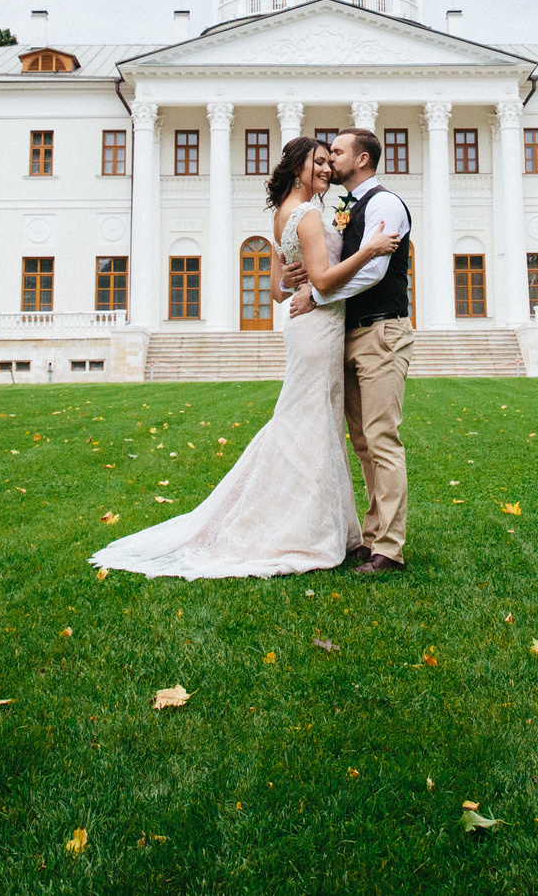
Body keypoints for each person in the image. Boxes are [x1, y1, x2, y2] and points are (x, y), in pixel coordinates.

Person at [88, 135, 399, 579]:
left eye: (331, 162)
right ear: (298, 169)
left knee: (309, 423)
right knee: (310, 424)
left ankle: (324, 526)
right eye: (319, 163)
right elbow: (325, 283)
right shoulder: (309, 215)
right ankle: (307, 532)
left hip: (306, 328)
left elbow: (275, 291)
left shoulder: (281, 217)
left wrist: (300, 280)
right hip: (318, 328)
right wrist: (367, 250)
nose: (328, 170)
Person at [284, 128, 415, 574]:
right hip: (349, 334)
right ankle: (373, 535)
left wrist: (317, 296)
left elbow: (375, 271)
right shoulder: (346, 208)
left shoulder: (385, 204)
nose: (329, 160)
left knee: (381, 439)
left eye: (336, 153)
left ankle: (390, 549)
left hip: (382, 332)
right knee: (361, 442)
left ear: (361, 159)